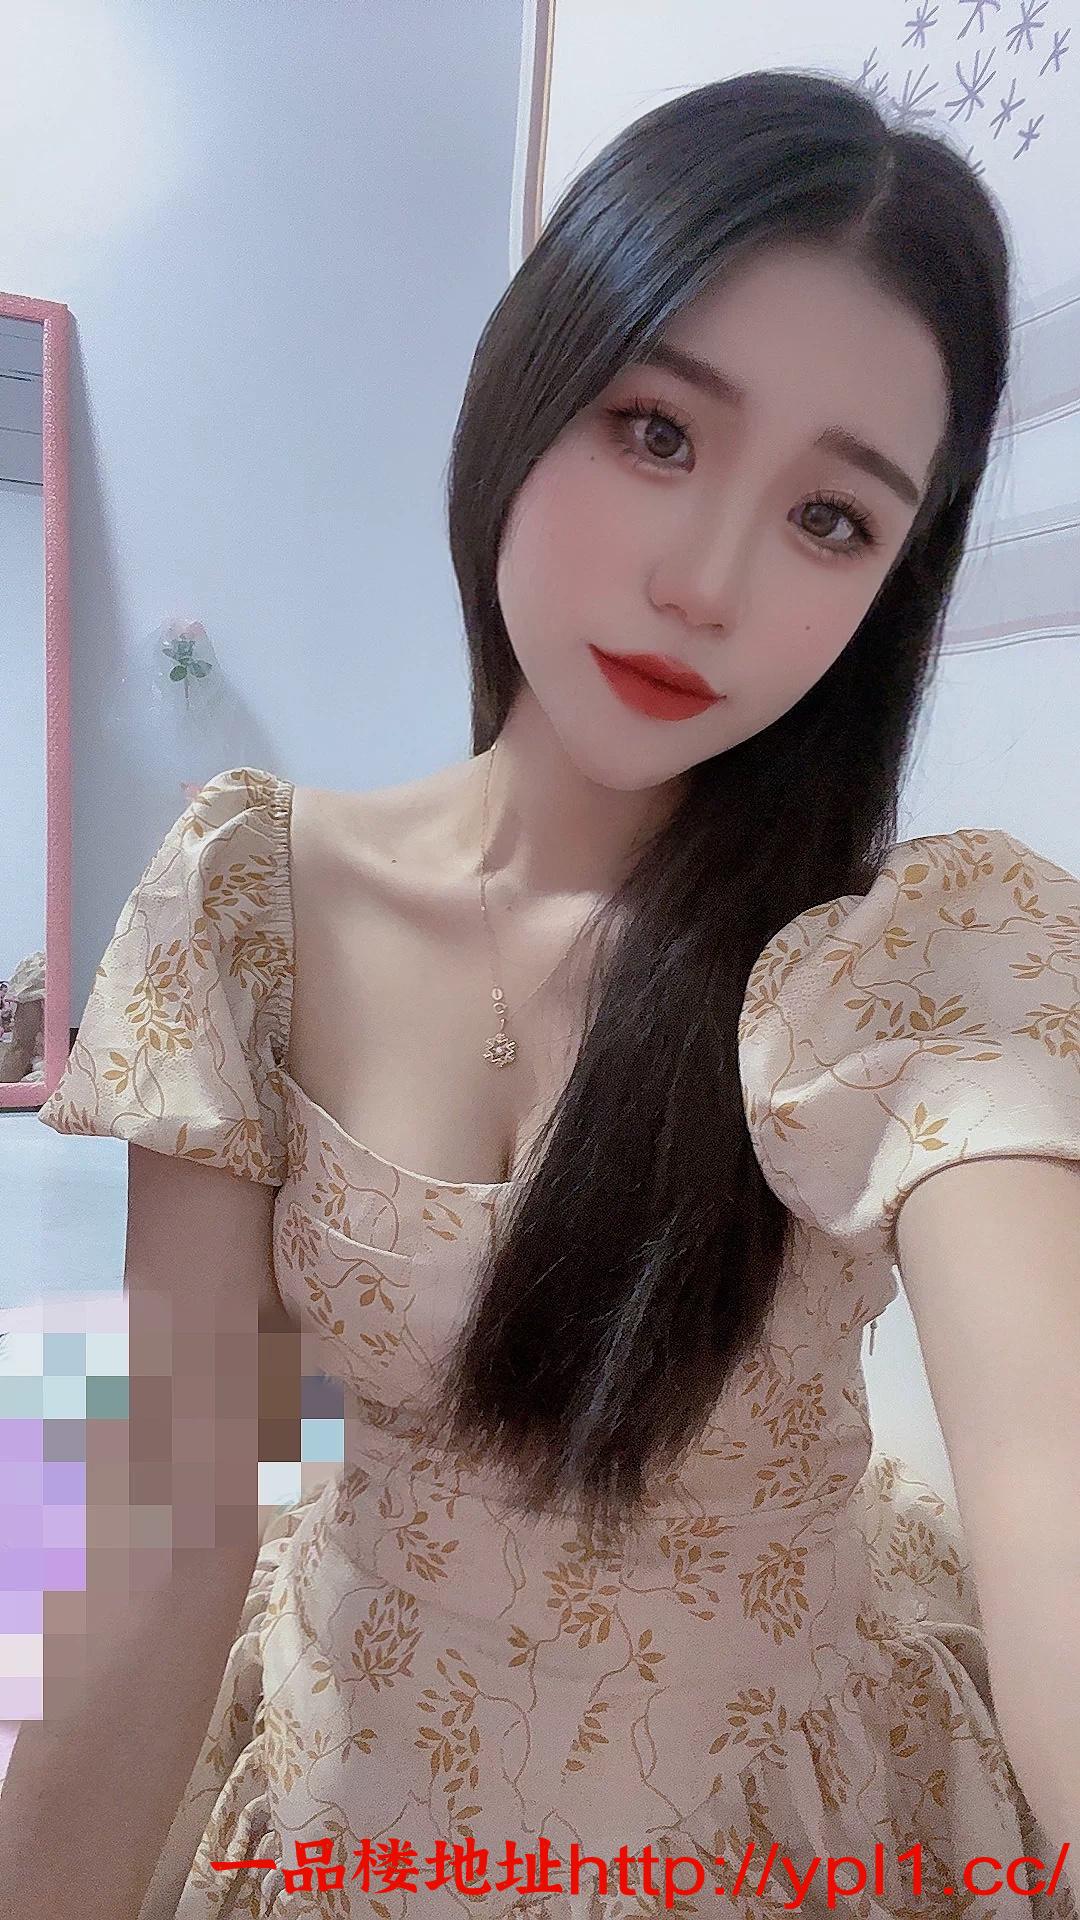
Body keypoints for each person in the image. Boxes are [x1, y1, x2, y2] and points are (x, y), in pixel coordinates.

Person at [7, 66, 1079, 1920]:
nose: (704, 581)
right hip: (356, 1801)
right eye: (657, 430)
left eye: (832, 518)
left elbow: (1053, 1469)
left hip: (768, 1826)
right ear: (527, 387)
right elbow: (166, 1530)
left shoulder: (917, 954)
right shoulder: (253, 903)